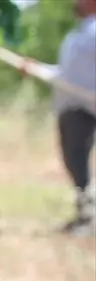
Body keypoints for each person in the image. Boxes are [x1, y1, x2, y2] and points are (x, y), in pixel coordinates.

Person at [51, 0, 96, 233]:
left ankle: (88, 217)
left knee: (78, 159)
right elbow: (65, 74)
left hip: (84, 108)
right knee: (72, 161)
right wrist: (35, 68)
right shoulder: (76, 36)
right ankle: (83, 212)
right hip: (68, 107)